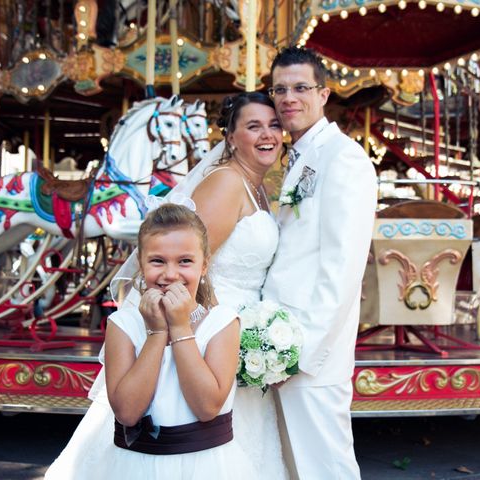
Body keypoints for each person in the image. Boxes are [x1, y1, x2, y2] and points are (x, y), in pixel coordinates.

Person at [46, 91, 287, 479]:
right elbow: (184, 261)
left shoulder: (256, 186)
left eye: (274, 124)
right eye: (253, 125)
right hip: (197, 326)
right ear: (229, 136)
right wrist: (193, 325)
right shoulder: (227, 183)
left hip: (230, 328)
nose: (267, 134)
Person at [58, 203, 251, 480]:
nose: (170, 274)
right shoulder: (123, 325)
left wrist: (180, 326)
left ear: (204, 265)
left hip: (206, 467)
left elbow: (207, 407)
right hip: (137, 468)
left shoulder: (222, 323)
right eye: (157, 261)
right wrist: (157, 333)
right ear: (141, 264)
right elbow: (127, 413)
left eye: (185, 261)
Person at [263, 47, 378, 479]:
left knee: (326, 466)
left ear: (324, 93)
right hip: (278, 339)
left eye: (300, 88)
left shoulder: (343, 158)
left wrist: (302, 352)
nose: (288, 98)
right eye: (280, 89)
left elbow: (343, 267)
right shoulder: (300, 157)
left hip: (310, 351)